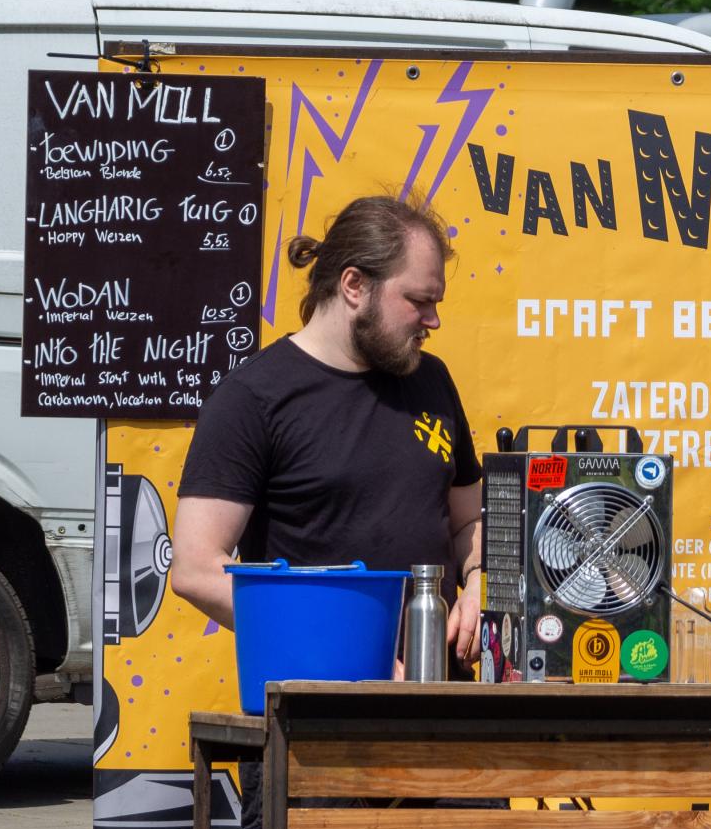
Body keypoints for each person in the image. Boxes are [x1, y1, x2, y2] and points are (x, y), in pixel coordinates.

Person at [170, 192, 483, 664]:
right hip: (318, 698)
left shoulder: (432, 380)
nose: (433, 320)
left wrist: (479, 583)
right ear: (354, 285)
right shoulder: (252, 398)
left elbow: (469, 522)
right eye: (419, 301)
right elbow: (196, 569)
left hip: (439, 688)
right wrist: (353, 653)